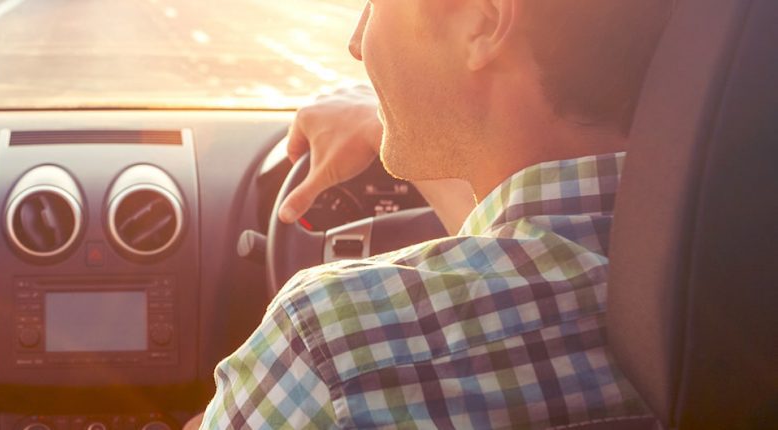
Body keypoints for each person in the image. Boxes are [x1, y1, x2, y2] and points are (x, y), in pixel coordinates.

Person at [198, 0, 672, 427]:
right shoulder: (726, 277)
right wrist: (379, 120)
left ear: (483, 23)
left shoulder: (335, 351)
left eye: (376, 5)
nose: (357, 41)